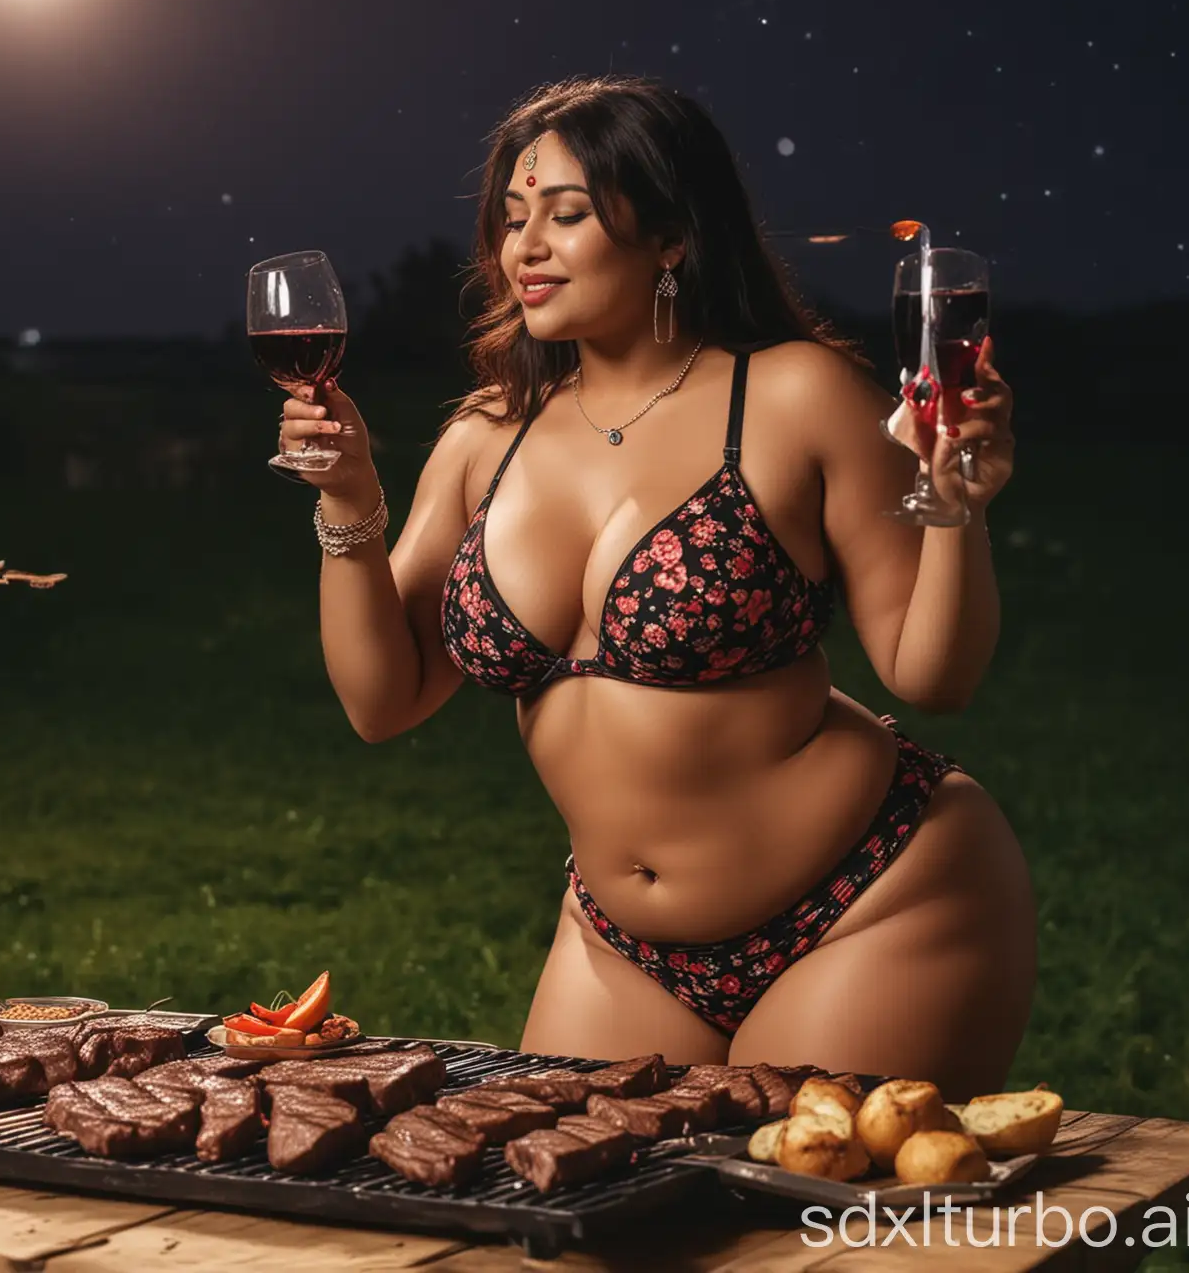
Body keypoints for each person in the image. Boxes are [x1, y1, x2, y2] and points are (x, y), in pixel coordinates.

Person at [279, 77, 1033, 1099]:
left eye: (567, 214)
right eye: (511, 219)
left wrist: (956, 507)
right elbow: (382, 703)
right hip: (617, 944)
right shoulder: (484, 441)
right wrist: (348, 502)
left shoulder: (794, 394)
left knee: (801, 1237)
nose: (525, 247)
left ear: (670, 235)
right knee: (570, 1219)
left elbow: (931, 674)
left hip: (873, 896)